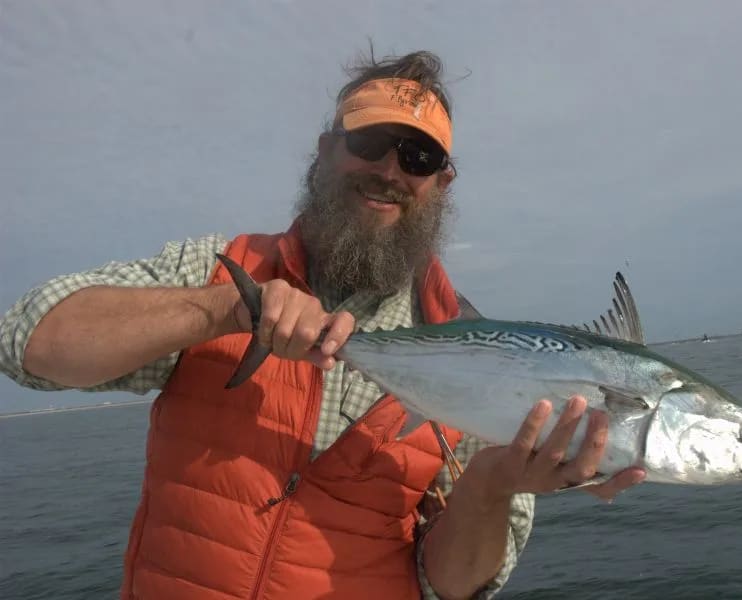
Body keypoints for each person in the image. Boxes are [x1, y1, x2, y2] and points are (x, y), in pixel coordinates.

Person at [0, 50, 644, 599]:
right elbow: (25, 342)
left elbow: (451, 586)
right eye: (369, 143)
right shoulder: (217, 268)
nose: (389, 171)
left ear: (441, 183)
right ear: (327, 150)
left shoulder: (482, 352)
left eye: (418, 157)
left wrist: (493, 484)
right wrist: (223, 309)